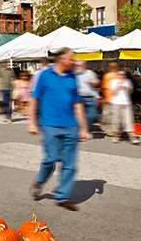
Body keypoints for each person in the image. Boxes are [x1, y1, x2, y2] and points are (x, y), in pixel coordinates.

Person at [29, 48, 89, 212]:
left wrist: (83, 128)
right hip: (50, 125)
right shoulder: (45, 75)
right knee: (51, 159)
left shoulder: (73, 78)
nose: (74, 62)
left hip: (71, 127)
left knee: (70, 164)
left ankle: (63, 197)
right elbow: (34, 99)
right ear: (61, 60)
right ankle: (40, 181)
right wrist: (32, 122)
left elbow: (77, 104)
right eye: (71, 59)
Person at [110, 70, 140, 145]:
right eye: (120, 74)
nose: (122, 76)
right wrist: (118, 86)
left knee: (128, 120)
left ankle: (132, 137)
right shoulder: (114, 81)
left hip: (126, 103)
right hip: (117, 103)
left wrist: (126, 88)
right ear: (117, 75)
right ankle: (116, 136)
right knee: (116, 120)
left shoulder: (127, 82)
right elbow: (112, 92)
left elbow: (130, 91)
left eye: (123, 74)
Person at [75, 61, 100, 132]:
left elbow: (97, 83)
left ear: (84, 65)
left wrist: (94, 82)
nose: (78, 67)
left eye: (80, 65)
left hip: (91, 97)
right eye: (77, 65)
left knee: (93, 115)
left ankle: (85, 128)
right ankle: (81, 131)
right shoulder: (74, 75)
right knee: (79, 115)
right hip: (79, 97)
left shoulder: (90, 73)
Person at [101, 62, 120, 129]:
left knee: (111, 116)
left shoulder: (117, 75)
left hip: (114, 99)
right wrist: (105, 97)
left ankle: (113, 130)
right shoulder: (108, 76)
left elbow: (104, 88)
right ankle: (111, 130)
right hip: (110, 99)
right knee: (109, 116)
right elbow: (104, 88)